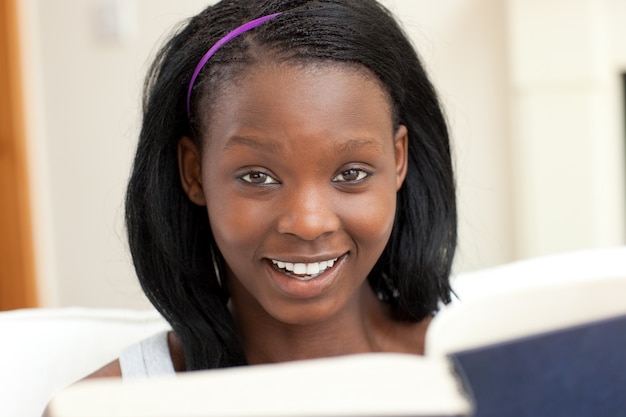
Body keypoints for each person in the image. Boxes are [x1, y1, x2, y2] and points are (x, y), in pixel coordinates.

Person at [86, 0, 456, 377]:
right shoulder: (108, 405)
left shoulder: (480, 364)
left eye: (351, 173)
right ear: (194, 173)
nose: (309, 223)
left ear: (398, 160)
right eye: (257, 177)